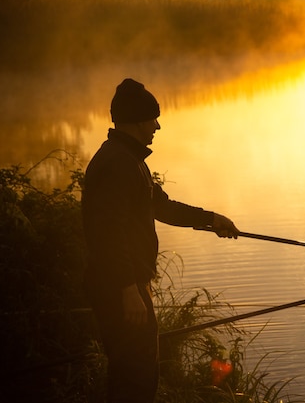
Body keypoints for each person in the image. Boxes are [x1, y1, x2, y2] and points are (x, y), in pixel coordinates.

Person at [81, 78, 239, 403]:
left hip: (129, 285)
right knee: (135, 379)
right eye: (153, 118)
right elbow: (108, 232)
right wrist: (128, 289)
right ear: (138, 119)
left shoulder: (129, 159)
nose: (158, 126)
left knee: (136, 374)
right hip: (122, 288)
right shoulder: (118, 163)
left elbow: (161, 207)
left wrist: (211, 220)